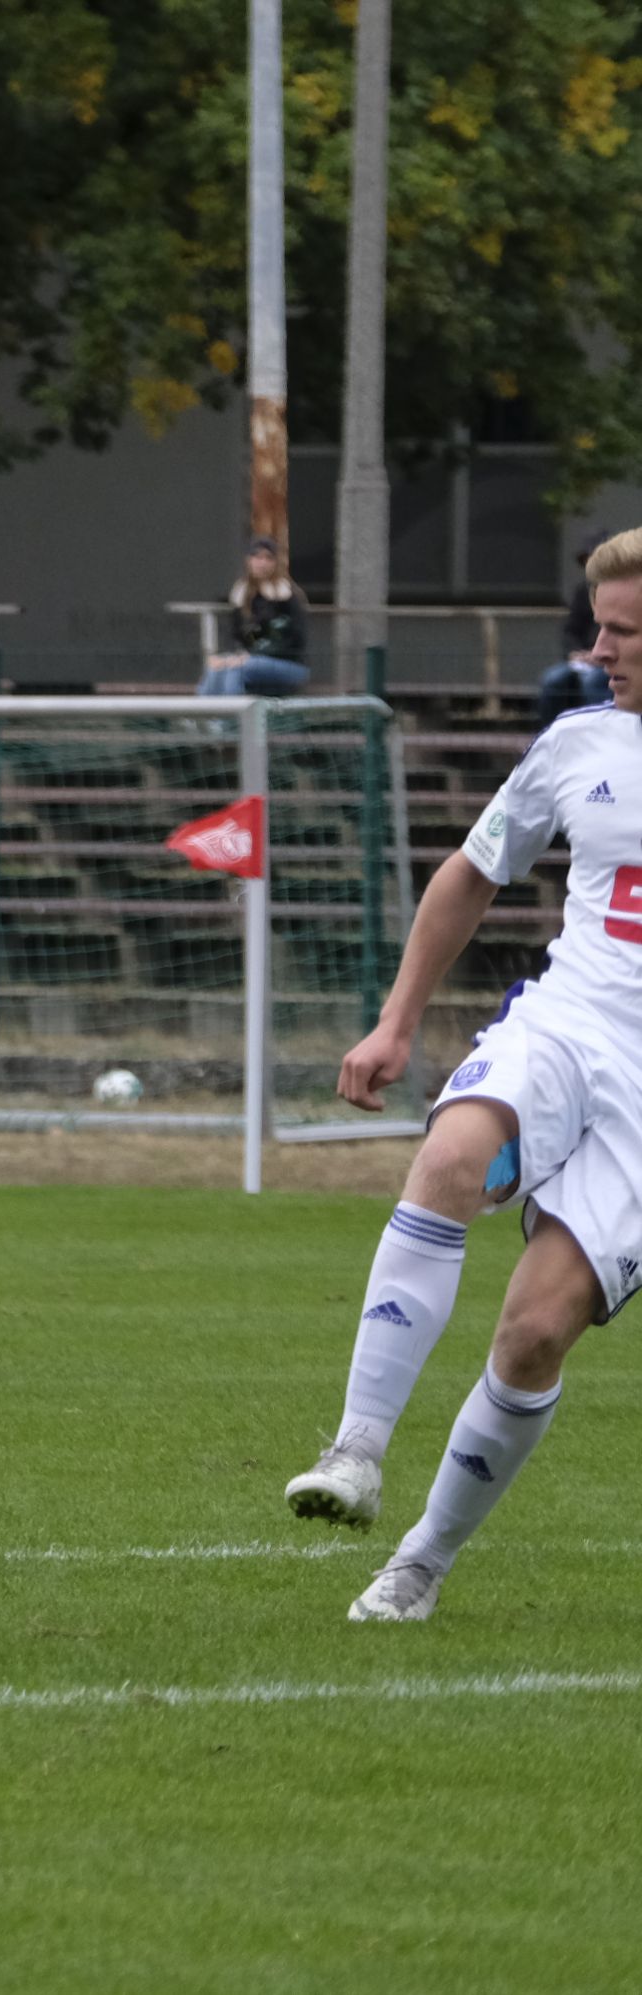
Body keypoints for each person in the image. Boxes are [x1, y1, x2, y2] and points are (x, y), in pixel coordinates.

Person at [282, 526, 642, 1623]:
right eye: (599, 627)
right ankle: (353, 1451)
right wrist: (397, 1024)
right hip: (569, 1022)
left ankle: (421, 1563)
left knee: (536, 1332)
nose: (599, 650)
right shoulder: (579, 744)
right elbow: (470, 872)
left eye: (624, 633)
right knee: (450, 1153)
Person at [198, 537, 310, 696]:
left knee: (238, 669)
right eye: (257, 557)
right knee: (215, 669)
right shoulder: (243, 593)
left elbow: (291, 639)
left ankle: (232, 719)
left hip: (289, 664)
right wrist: (229, 657)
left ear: (276, 563)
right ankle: (205, 717)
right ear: (249, 560)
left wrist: (250, 656)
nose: (262, 562)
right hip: (252, 659)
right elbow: (240, 636)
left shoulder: (286, 595)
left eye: (268, 558)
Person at [540, 535, 611, 727]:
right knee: (552, 680)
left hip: (608, 659)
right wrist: (574, 653)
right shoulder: (582, 591)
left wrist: (600, 655)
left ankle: (599, 732)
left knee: (592, 682)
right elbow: (570, 629)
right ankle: (549, 733)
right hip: (582, 658)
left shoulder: (619, 591)